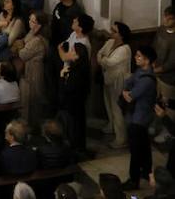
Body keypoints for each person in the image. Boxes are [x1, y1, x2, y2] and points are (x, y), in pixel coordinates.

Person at [121, 44, 158, 188]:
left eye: (139, 56)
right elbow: (127, 83)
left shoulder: (146, 80)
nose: (136, 58)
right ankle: (146, 171)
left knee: (136, 150)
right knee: (144, 146)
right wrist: (126, 91)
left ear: (147, 60)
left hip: (140, 118)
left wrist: (126, 93)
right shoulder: (139, 72)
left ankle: (133, 180)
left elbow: (130, 96)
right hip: (137, 115)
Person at [98, 19, 133, 148]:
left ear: (121, 35)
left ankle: (121, 138)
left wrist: (102, 60)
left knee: (117, 108)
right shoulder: (110, 42)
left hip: (119, 81)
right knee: (108, 103)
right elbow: (99, 54)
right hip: (108, 77)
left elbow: (110, 62)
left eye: (114, 31)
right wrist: (103, 59)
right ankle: (111, 125)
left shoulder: (125, 49)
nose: (111, 32)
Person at [15, 9, 50, 128]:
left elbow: (23, 54)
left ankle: (31, 127)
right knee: (25, 99)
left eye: (33, 21)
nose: (29, 22)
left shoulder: (38, 40)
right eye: (30, 19)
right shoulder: (32, 34)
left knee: (32, 99)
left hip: (34, 72)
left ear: (39, 25)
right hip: (28, 70)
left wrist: (20, 46)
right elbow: (23, 42)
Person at [57, 31, 91, 153]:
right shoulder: (83, 68)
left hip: (72, 105)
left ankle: (74, 149)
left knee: (73, 128)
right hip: (78, 105)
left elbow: (65, 91)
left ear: (78, 56)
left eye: (73, 51)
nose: (70, 53)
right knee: (78, 126)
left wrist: (62, 77)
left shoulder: (75, 73)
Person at [0, 0, 25, 71]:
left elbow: (10, 41)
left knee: (2, 45)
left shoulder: (18, 20)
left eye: (7, 2)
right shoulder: (2, 14)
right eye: (5, 1)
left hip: (9, 47)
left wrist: (3, 30)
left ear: (14, 5)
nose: (4, 3)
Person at [154, 5, 175, 101]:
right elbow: (154, 46)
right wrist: (152, 63)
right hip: (154, 71)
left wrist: (158, 69)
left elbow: (172, 62)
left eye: (170, 18)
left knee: (166, 107)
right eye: (165, 16)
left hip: (168, 78)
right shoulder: (161, 30)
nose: (166, 20)